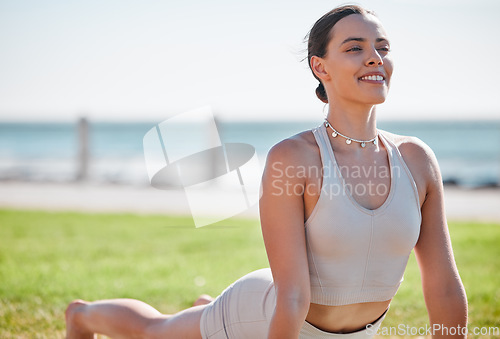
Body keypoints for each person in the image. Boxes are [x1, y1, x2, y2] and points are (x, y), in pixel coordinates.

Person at [65, 5, 468, 338]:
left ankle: (206, 309)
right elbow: (293, 298)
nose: (375, 57)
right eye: (354, 47)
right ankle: (82, 316)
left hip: (358, 332)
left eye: (382, 46)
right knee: (157, 331)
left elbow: (444, 286)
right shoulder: (293, 158)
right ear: (320, 67)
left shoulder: (416, 159)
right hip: (270, 318)